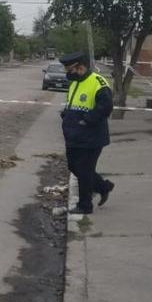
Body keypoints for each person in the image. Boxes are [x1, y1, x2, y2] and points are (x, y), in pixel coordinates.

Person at [60, 51, 115, 215]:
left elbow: (106, 107)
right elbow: (73, 101)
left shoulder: (98, 82)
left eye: (70, 70)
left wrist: (87, 120)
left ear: (81, 67)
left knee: (84, 170)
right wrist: (66, 115)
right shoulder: (75, 82)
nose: (69, 73)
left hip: (92, 136)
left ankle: (85, 206)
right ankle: (103, 187)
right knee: (74, 166)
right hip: (74, 135)